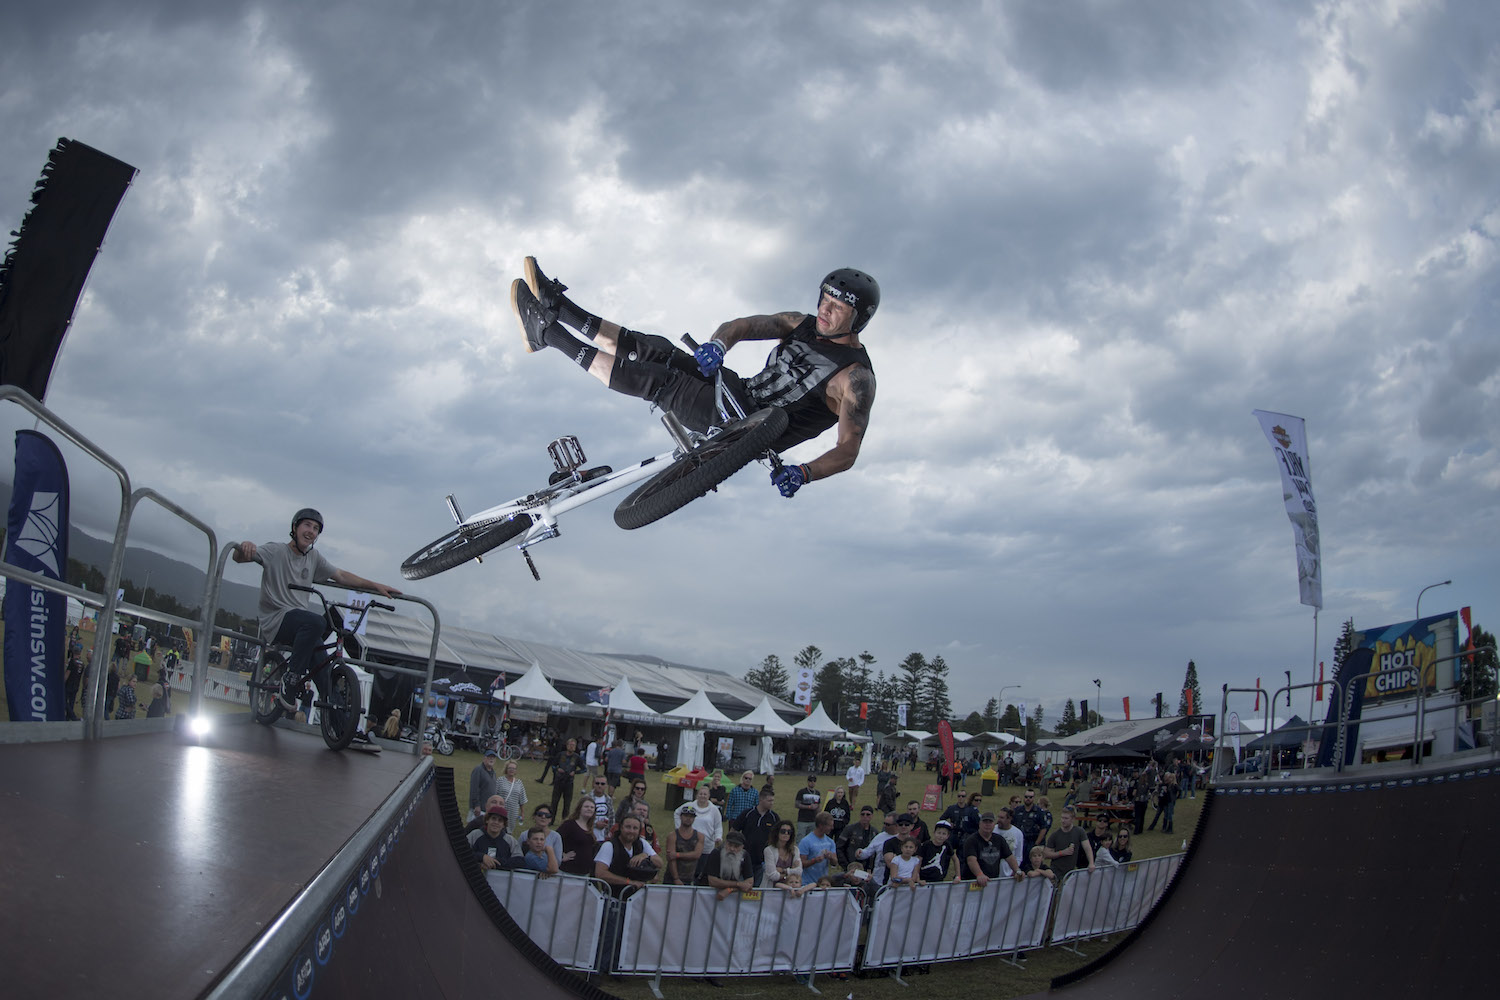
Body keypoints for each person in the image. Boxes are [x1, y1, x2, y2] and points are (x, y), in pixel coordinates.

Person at [512, 260, 880, 498]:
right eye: (824, 300)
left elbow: (849, 449)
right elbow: (743, 326)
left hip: (747, 429)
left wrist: (806, 472)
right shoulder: (801, 323)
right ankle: (559, 309)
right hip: (738, 392)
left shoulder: (855, 376)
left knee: (659, 381)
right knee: (659, 350)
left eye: (837, 307)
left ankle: (550, 335)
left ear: (857, 318)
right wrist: (718, 346)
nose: (824, 310)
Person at [232, 508, 399, 712]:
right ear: (295, 528)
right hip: (276, 620)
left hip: (302, 628)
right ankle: (291, 679)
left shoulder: (313, 557)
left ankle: (345, 729)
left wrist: (376, 586)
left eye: (316, 528)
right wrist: (244, 547)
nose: (311, 531)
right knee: (318, 622)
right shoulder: (276, 550)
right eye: (307, 525)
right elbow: (239, 558)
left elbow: (341, 576)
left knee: (325, 675)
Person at [593, 815, 658, 896]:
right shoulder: (609, 846)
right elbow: (600, 873)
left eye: (635, 828)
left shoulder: (641, 843)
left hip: (636, 900)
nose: (631, 831)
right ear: (621, 828)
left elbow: (660, 862)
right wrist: (629, 882)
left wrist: (645, 855)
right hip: (613, 899)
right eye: (628, 827)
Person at [961, 812, 1023, 887]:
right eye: (985, 822)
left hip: (992, 883)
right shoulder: (971, 840)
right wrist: (980, 874)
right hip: (974, 883)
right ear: (980, 824)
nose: (987, 825)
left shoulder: (999, 839)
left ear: (994, 824)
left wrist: (1017, 871)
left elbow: (1009, 857)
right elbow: (971, 860)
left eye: (990, 822)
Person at [735, 788, 780, 884]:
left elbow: (778, 837)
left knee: (758, 888)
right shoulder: (747, 814)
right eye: (769, 800)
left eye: (773, 800)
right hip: (744, 858)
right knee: (742, 885)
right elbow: (734, 831)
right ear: (761, 800)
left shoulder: (774, 817)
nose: (772, 803)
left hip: (762, 860)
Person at [699, 831, 755, 901]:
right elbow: (713, 881)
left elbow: (749, 883)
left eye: (736, 846)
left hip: (729, 896)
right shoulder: (716, 853)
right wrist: (738, 884)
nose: (732, 849)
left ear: (742, 847)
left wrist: (730, 889)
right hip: (706, 895)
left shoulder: (745, 855)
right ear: (725, 843)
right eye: (730, 845)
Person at [1043, 806, 1094, 878]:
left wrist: (1091, 863)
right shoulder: (1055, 835)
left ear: (1073, 819)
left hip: (1071, 872)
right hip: (1056, 871)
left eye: (1066, 818)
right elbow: (1046, 854)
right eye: (1062, 818)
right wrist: (1062, 853)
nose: (1063, 821)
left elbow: (1087, 847)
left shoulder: (1079, 831)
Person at [663, 805, 706, 885]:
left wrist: (677, 854)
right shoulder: (672, 836)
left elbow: (697, 855)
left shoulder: (700, 836)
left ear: (694, 818)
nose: (688, 818)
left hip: (689, 877)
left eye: (691, 816)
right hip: (671, 878)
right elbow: (671, 858)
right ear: (681, 816)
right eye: (686, 816)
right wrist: (676, 878)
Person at [471, 805, 521, 870]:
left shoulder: (510, 840)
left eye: (500, 820)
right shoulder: (475, 835)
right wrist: (482, 857)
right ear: (487, 820)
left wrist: (495, 862)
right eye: (493, 818)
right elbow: (462, 852)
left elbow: (520, 861)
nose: (496, 822)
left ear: (504, 825)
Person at [559, 798, 599, 876]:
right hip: (568, 872)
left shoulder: (590, 828)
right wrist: (562, 855)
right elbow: (554, 840)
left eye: (592, 807)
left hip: (584, 873)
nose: (589, 809)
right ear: (579, 808)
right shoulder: (569, 824)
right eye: (586, 806)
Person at [798, 811, 839, 885]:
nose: (832, 828)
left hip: (822, 885)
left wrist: (831, 857)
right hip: (807, 883)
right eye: (830, 826)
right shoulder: (806, 841)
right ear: (821, 825)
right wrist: (815, 860)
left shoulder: (830, 842)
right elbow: (801, 864)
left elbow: (835, 863)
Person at [761, 820, 803, 889]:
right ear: (777, 833)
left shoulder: (795, 850)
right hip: (771, 889)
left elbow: (799, 872)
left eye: (789, 832)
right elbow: (772, 875)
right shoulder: (769, 850)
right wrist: (790, 873)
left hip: (790, 890)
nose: (786, 833)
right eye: (783, 831)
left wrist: (783, 870)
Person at [549, 737, 584, 818]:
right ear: (567, 745)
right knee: (554, 802)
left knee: (567, 803)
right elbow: (553, 765)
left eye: (573, 745)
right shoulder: (561, 755)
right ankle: (551, 819)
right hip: (559, 781)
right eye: (570, 745)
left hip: (569, 782)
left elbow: (584, 769)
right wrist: (558, 769)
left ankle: (564, 820)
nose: (571, 747)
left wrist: (575, 772)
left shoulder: (577, 757)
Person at [687, 783, 724, 850]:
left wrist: (718, 837)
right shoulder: (690, 806)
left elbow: (718, 826)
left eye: (705, 794)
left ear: (709, 796)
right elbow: (677, 813)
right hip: (690, 844)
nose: (702, 796)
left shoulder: (714, 809)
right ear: (697, 795)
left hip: (707, 846)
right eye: (700, 794)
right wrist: (679, 828)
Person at [468, 750, 501, 823]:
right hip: (479, 809)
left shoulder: (493, 772)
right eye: (489, 757)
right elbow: (474, 788)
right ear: (484, 758)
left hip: (488, 809)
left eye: (493, 758)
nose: (491, 759)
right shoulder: (478, 770)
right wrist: (476, 805)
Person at [994, 807, 1025, 878]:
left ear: (1009, 819)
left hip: (1010, 874)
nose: (998, 820)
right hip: (994, 872)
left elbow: (1018, 856)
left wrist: (1014, 870)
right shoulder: (992, 830)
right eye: (998, 817)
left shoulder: (1018, 833)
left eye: (1002, 818)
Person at [495, 758, 528, 823]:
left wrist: (522, 813)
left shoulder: (519, 783)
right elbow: (494, 796)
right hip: (501, 810)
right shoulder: (500, 780)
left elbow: (522, 800)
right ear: (506, 769)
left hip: (513, 812)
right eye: (510, 768)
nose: (511, 770)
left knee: (509, 830)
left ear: (516, 770)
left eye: (514, 768)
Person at [794, 774, 823, 839]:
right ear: (808, 782)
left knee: (811, 839)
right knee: (800, 838)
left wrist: (818, 810)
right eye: (811, 781)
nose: (812, 783)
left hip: (813, 820)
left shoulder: (817, 793)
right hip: (803, 820)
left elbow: (818, 805)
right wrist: (809, 807)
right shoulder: (802, 792)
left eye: (814, 781)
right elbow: (797, 804)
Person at [588, 775, 615, 842]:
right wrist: (595, 824)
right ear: (593, 784)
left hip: (604, 837)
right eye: (597, 783)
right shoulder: (587, 798)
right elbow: (581, 818)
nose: (599, 786)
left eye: (602, 784)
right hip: (589, 835)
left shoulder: (608, 799)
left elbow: (612, 818)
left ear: (606, 785)